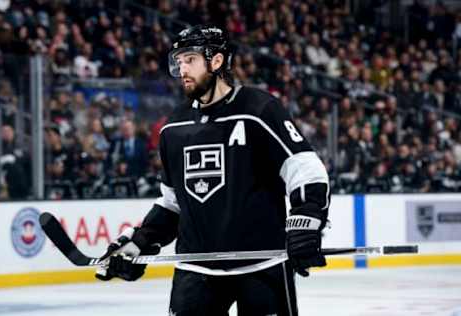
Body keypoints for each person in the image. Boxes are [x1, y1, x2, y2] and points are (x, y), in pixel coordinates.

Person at [96, 25, 330, 316]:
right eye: (178, 62)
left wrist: (306, 220)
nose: (182, 69)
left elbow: (306, 170)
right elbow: (172, 203)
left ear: (216, 61)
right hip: (195, 268)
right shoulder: (174, 127)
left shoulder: (259, 109)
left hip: (262, 264)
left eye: (189, 60)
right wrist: (140, 240)